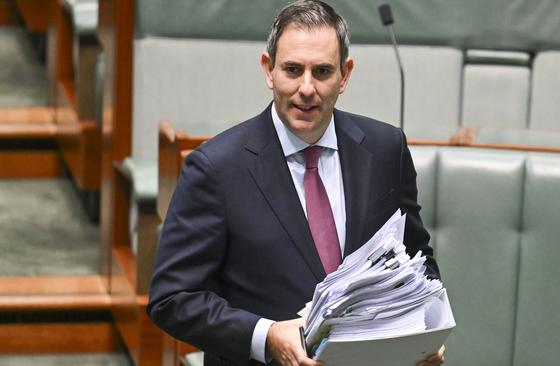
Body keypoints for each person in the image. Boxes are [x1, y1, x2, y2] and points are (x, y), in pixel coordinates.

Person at [147, 1, 445, 365]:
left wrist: (425, 327)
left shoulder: (386, 150)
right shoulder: (216, 169)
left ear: (345, 75)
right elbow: (173, 298)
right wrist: (266, 336)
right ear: (268, 70)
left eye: (322, 71)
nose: (307, 88)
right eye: (292, 70)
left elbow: (417, 260)